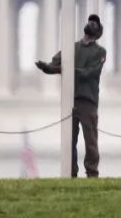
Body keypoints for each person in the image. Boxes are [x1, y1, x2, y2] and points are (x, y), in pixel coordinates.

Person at [35, 13, 108, 178]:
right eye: (91, 21)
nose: (92, 24)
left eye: (95, 23)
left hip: (87, 101)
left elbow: (90, 73)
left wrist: (63, 69)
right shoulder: (72, 47)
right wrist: (46, 67)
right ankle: (71, 173)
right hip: (70, 100)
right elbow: (56, 62)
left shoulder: (100, 52)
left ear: (98, 33)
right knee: (69, 141)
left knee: (90, 140)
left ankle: (92, 172)